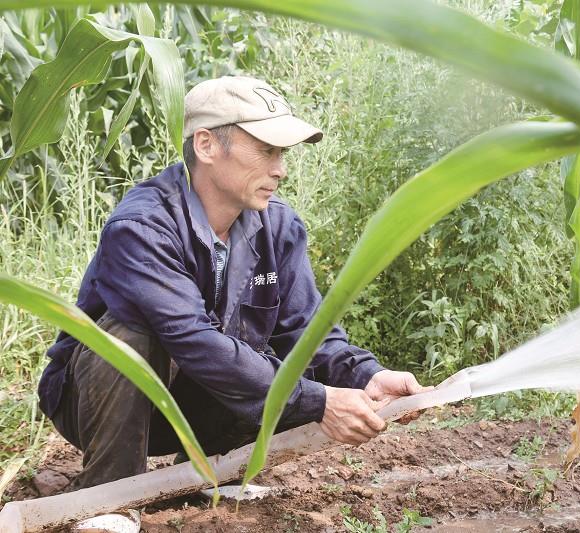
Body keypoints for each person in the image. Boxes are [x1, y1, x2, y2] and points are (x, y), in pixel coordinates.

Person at [37, 75, 430, 492]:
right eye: (265, 151)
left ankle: (212, 471)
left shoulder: (278, 226)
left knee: (255, 350)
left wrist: (365, 375)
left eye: (282, 153)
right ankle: (109, 492)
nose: (279, 169)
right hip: (99, 405)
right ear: (206, 145)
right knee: (127, 337)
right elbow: (194, 341)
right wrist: (319, 401)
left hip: (199, 405)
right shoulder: (142, 227)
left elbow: (305, 331)